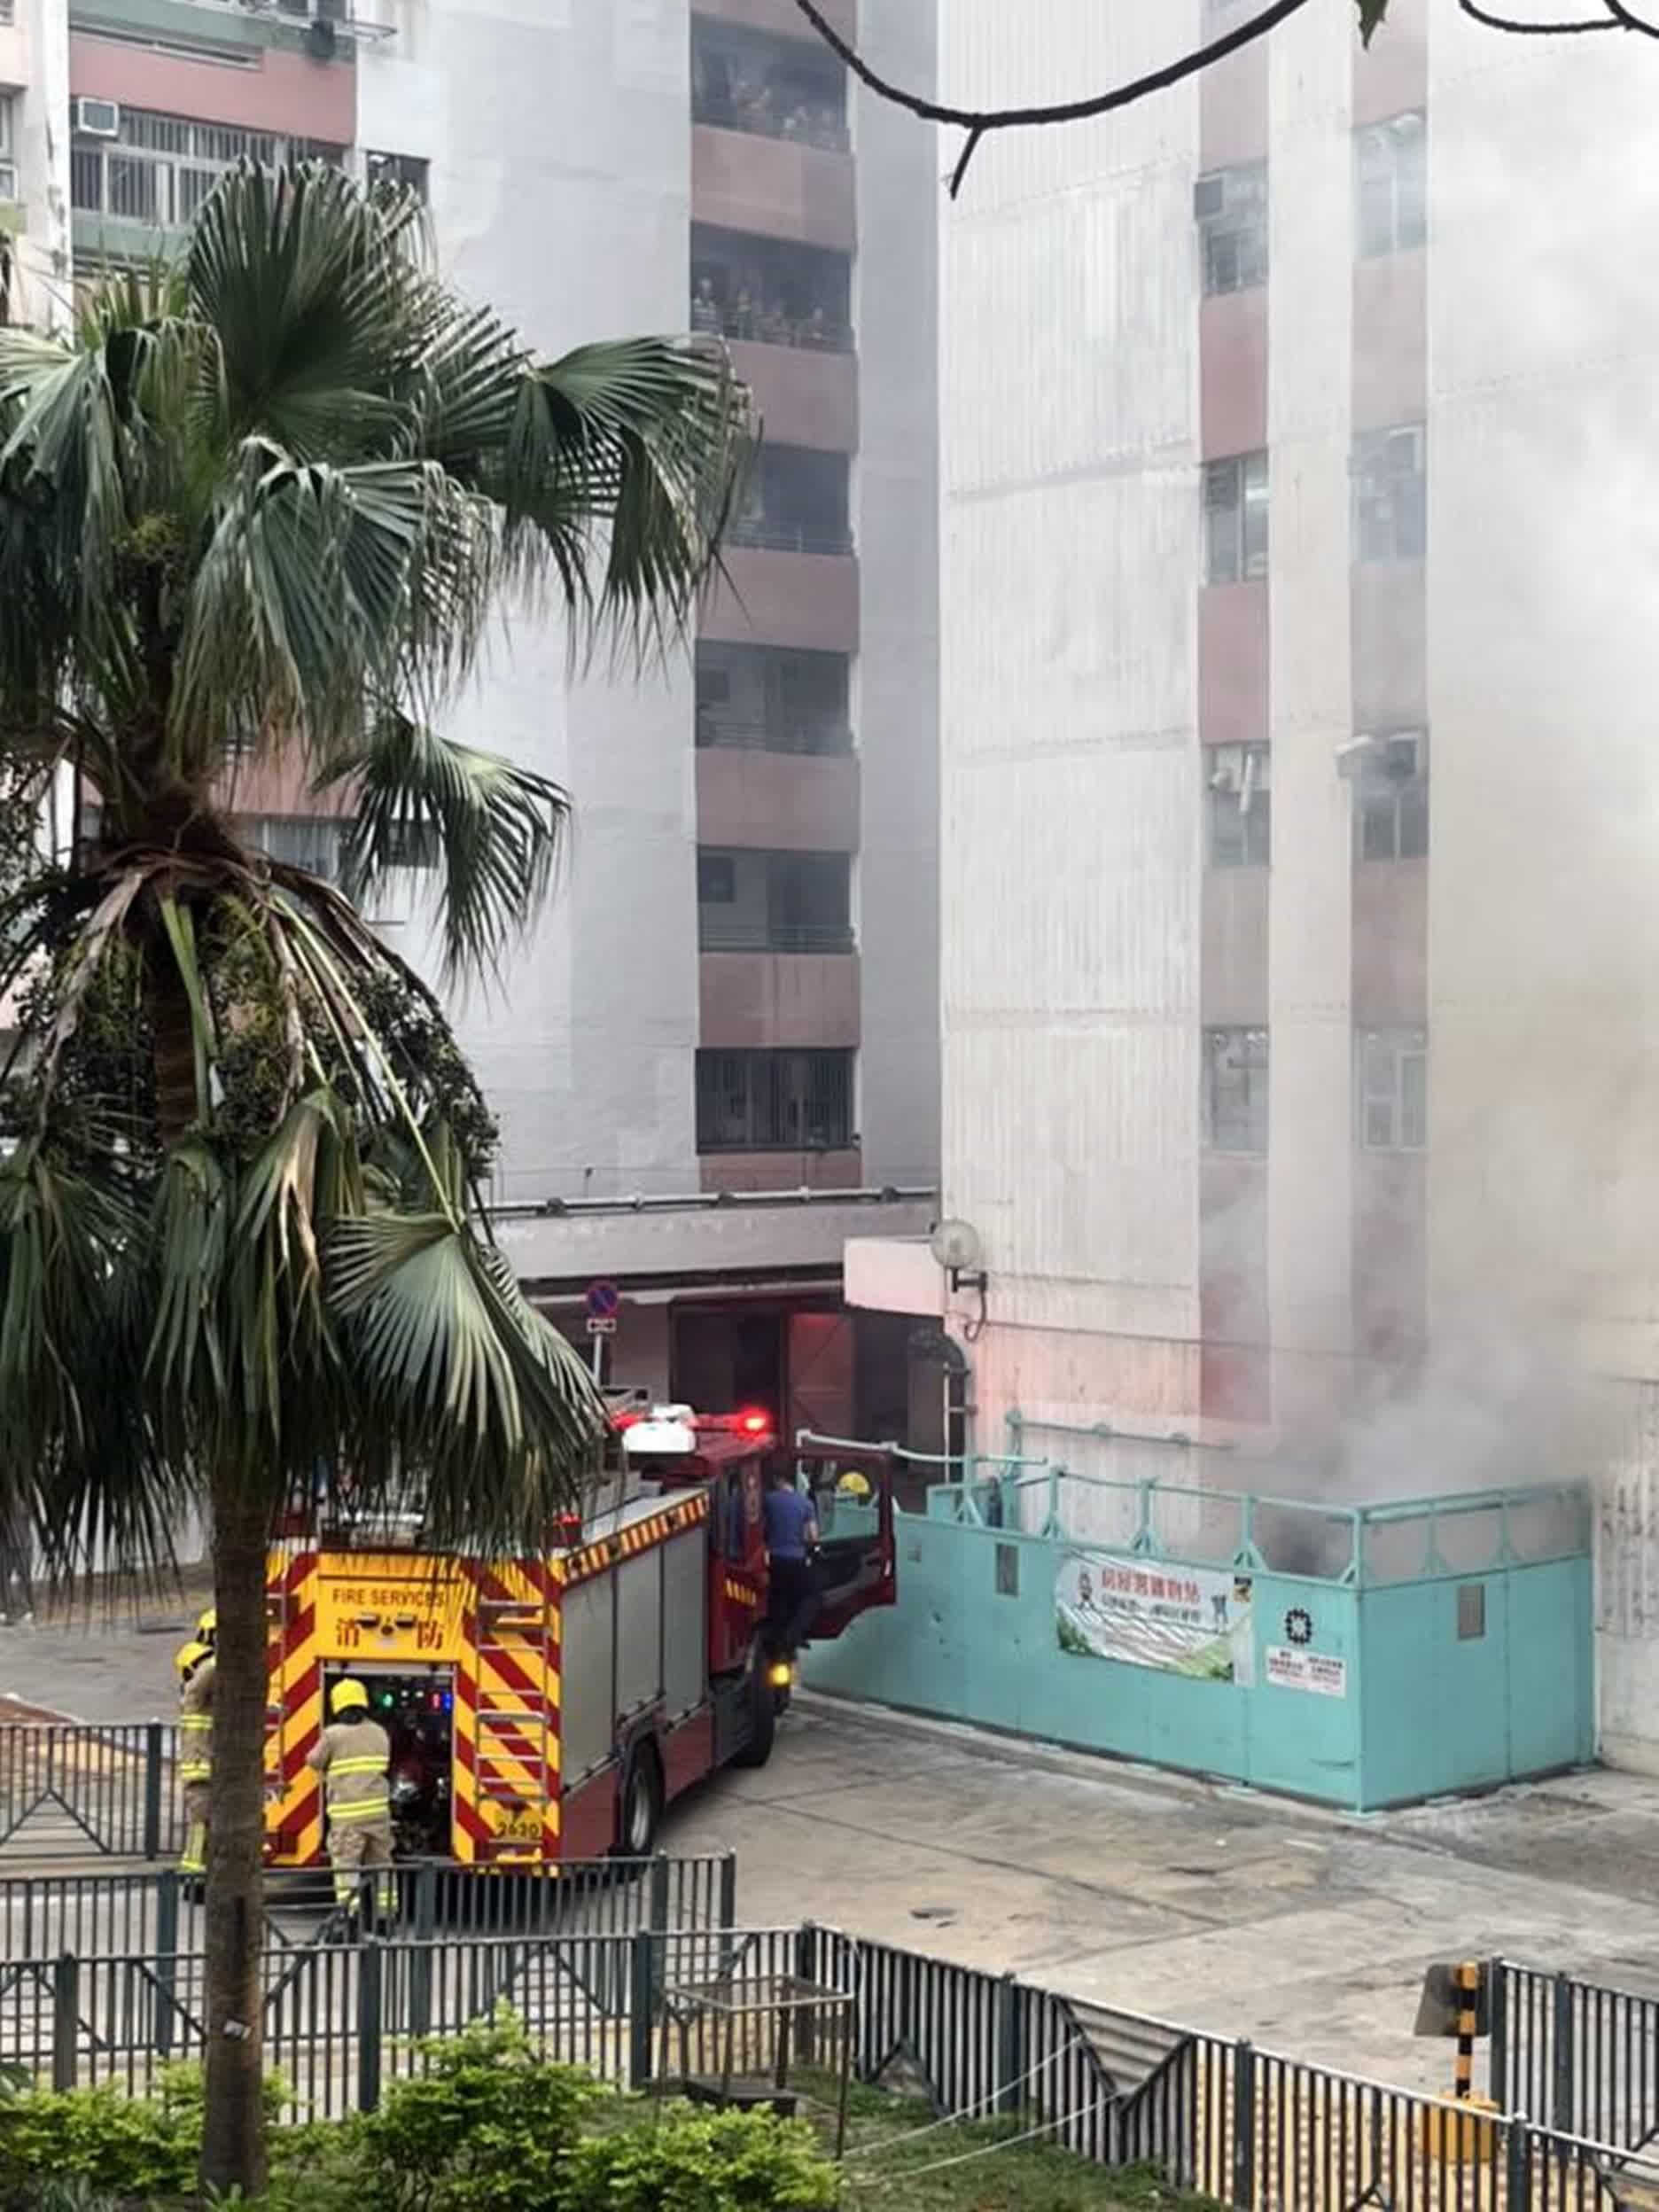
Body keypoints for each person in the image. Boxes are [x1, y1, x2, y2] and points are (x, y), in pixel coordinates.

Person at [307, 1677, 394, 1920]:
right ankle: (386, 1916)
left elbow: (314, 1761)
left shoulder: (332, 1735)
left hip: (347, 1818)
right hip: (378, 1815)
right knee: (382, 1865)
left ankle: (349, 1917)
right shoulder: (379, 1733)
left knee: (346, 1869)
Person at [762, 1463, 820, 1658]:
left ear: (777, 1480)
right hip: (796, 1560)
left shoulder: (768, 1500)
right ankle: (793, 1636)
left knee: (779, 1598)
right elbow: (812, 1536)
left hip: (775, 1560)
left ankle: (776, 1638)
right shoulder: (806, 1504)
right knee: (810, 1596)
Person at [175, 1637, 214, 1886]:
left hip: (204, 1770)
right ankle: (194, 1874)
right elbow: (211, 1670)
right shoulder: (194, 1695)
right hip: (200, 1772)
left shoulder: (202, 1698)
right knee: (201, 1823)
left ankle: (196, 1872)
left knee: (204, 1824)